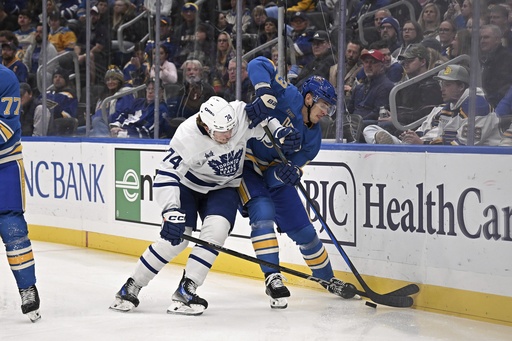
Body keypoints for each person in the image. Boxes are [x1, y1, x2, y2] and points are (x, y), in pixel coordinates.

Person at [110, 96, 300, 315]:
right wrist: (170, 211)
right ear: (207, 127)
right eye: (222, 131)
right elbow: (165, 175)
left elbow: (263, 121)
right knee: (176, 240)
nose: (229, 136)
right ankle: (131, 286)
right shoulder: (186, 137)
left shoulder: (237, 115)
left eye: (231, 129)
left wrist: (279, 132)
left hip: (224, 187)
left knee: (216, 232)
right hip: (189, 187)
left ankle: (186, 289)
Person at [239, 56, 356, 309]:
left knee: (305, 232)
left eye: (330, 108)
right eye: (324, 104)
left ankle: (327, 279)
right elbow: (257, 63)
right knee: (263, 213)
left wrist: (286, 173)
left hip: (270, 173)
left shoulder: (313, 140)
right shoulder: (289, 95)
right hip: (246, 164)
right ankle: (273, 277)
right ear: (309, 98)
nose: (326, 112)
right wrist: (264, 93)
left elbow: (278, 174)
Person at [366, 64, 497, 146]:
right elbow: (424, 131)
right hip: (428, 151)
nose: (442, 89)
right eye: (441, 84)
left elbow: (463, 147)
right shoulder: (444, 107)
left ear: (461, 86)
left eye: (448, 85)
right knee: (370, 129)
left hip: (470, 162)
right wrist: (411, 136)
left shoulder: (478, 107)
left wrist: (422, 143)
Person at [0, 64, 41, 323]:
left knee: (12, 227)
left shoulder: (5, 77)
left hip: (4, 163)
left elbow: (6, 125)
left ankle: (27, 288)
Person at [363, 44, 443, 142]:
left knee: (368, 126)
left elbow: (427, 114)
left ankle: (392, 144)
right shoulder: (406, 85)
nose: (405, 64)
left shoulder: (431, 85)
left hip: (413, 130)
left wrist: (396, 118)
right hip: (399, 125)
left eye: (410, 60)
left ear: (423, 62)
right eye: (404, 61)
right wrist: (387, 114)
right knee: (367, 127)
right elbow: (394, 108)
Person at [347, 49, 394, 132]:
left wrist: (354, 123)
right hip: (353, 125)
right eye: (366, 62)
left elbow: (377, 113)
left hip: (369, 128)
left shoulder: (386, 86)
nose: (368, 65)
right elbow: (349, 109)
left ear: (382, 66)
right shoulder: (359, 87)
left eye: (373, 62)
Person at [88, 66, 135, 137]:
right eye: (108, 80)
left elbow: (124, 112)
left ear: (120, 81)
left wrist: (109, 121)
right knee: (79, 130)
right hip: (97, 125)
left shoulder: (124, 93)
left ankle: (104, 143)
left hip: (112, 126)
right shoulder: (103, 96)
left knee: (97, 120)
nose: (110, 82)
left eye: (114, 79)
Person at [480, 24, 512, 108]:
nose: (482, 41)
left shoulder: (506, 59)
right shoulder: (483, 57)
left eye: (486, 37)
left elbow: (503, 87)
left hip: (497, 106)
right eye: (481, 38)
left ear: (497, 39)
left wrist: (490, 103)